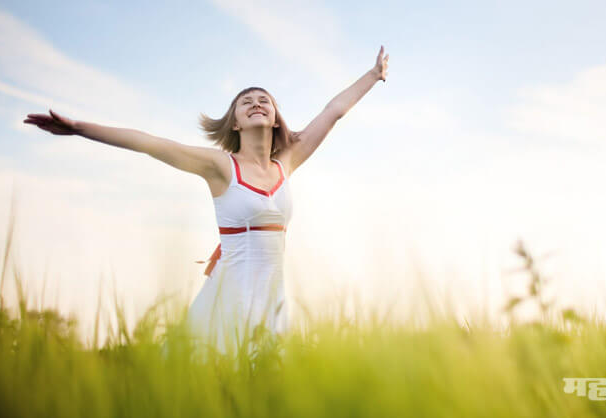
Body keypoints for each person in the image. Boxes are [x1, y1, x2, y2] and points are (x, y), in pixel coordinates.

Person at [24, 46, 389, 355]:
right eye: (246, 102)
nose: (257, 103)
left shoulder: (287, 163)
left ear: (276, 117)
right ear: (234, 123)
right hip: (228, 301)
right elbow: (150, 143)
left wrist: (373, 75)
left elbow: (334, 111)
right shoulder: (220, 167)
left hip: (275, 301)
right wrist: (78, 129)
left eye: (264, 100)